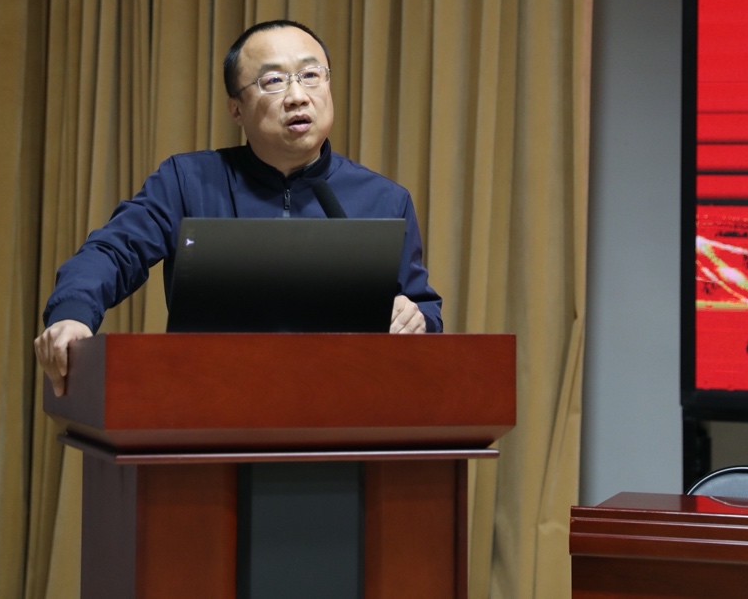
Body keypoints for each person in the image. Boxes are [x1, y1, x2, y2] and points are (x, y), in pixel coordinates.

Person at [34, 20, 443, 395]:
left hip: (343, 404)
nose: (297, 96)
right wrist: (72, 314)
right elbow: (113, 251)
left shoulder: (384, 199)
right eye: (273, 81)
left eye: (310, 75)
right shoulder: (188, 181)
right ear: (236, 109)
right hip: (209, 400)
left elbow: (423, 310)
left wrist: (415, 319)